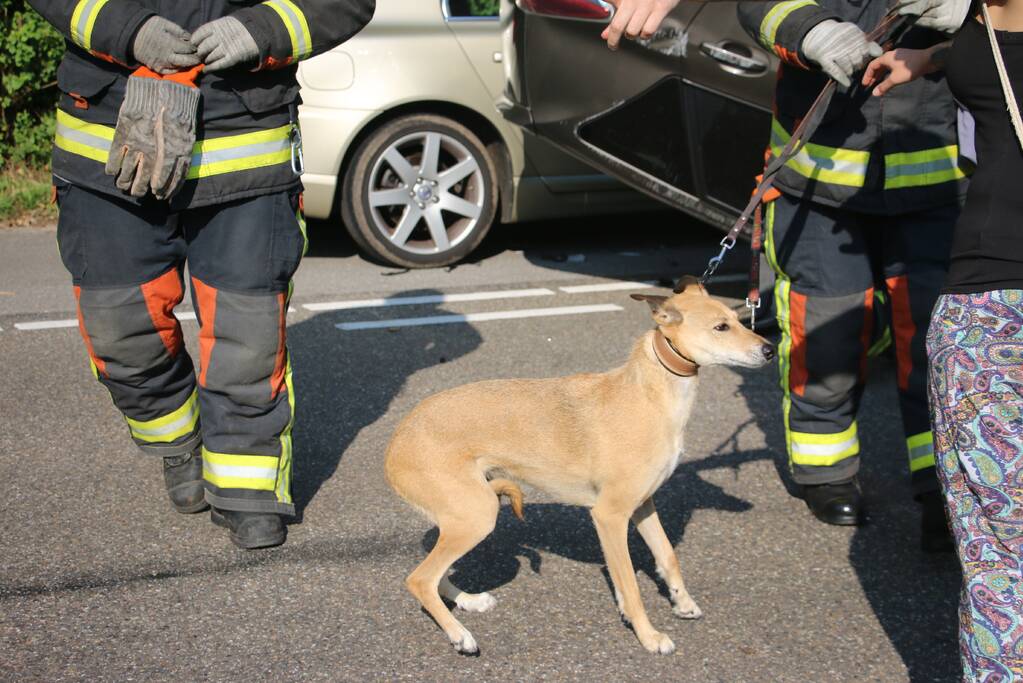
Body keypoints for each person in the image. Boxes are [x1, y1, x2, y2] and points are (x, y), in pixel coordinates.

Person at [29, 0, 374, 549]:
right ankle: (180, 443)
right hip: (108, 141)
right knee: (119, 332)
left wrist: (256, 30)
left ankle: (247, 490)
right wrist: (129, 31)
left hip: (244, 144)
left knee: (247, 337)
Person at [735, 0, 967, 547]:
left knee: (940, 342)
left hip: (936, 184)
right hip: (818, 186)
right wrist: (810, 31)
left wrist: (973, 12)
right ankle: (827, 472)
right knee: (826, 333)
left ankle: (946, 485)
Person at [864, 0, 1023, 676]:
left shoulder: (982, 22)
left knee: (998, 559)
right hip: (986, 303)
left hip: (987, 308)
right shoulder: (974, 32)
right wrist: (935, 56)